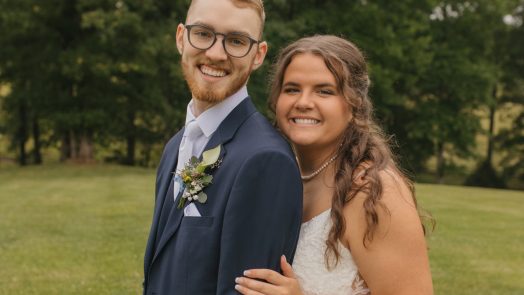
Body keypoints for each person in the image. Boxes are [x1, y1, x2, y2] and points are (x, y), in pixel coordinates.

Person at [234, 35, 434, 295]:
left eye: (324, 91)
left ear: (355, 104)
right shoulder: (279, 174)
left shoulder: (373, 192)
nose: (303, 102)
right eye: (292, 89)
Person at [142, 0, 303, 294]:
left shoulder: (265, 160)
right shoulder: (175, 145)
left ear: (258, 55)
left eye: (236, 41)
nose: (216, 54)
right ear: (181, 38)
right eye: (203, 33)